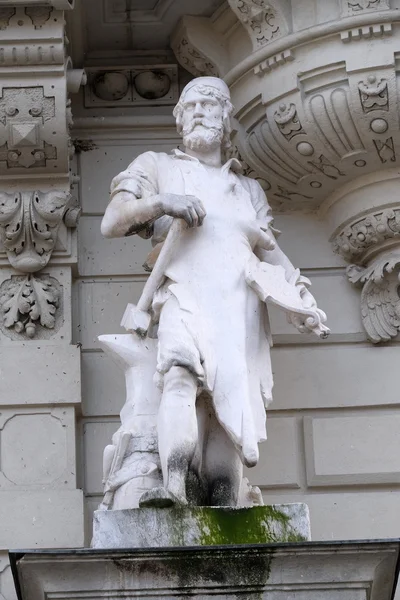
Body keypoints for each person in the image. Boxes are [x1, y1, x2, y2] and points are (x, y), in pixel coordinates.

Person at [101, 76, 327, 508]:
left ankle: (224, 507)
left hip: (237, 304)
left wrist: (302, 303)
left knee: (230, 412)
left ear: (226, 120)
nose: (200, 113)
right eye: (191, 107)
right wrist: (163, 203)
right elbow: (112, 221)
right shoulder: (157, 166)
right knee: (179, 378)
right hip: (185, 295)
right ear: (180, 119)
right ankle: (174, 488)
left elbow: (271, 251)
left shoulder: (247, 189)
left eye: (210, 105)